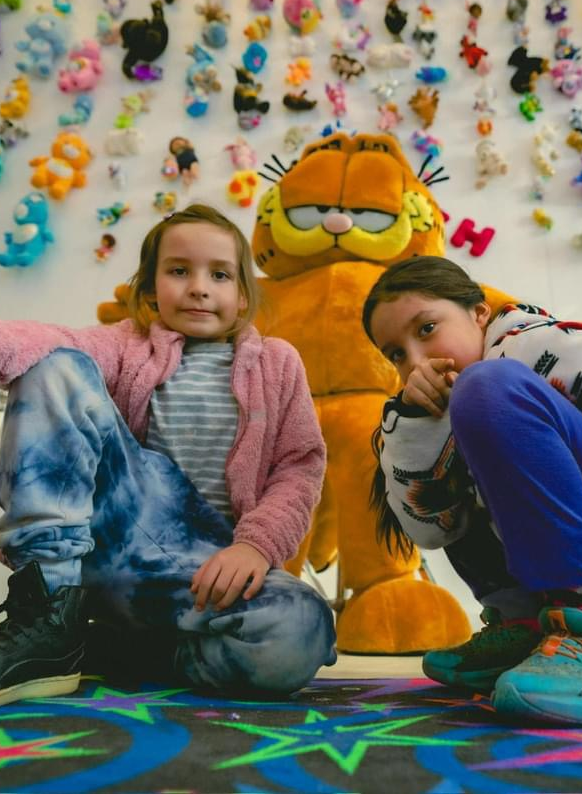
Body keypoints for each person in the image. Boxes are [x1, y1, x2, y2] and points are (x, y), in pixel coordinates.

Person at [0, 203, 336, 706]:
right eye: (179, 271)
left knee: (302, 628)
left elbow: (299, 467)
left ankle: (119, 651)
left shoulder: (278, 362)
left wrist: (255, 548)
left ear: (243, 292)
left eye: (219, 274)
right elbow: (62, 341)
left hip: (201, 571)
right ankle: (49, 605)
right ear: (150, 287)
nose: (199, 287)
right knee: (55, 363)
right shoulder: (126, 343)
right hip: (111, 542)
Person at [362, 255, 582, 726]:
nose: (416, 362)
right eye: (396, 354)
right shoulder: (438, 409)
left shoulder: (538, 346)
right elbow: (430, 532)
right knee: (446, 441)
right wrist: (416, 429)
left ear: (480, 313)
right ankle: (524, 627)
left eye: (426, 329)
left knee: (488, 387)